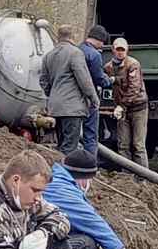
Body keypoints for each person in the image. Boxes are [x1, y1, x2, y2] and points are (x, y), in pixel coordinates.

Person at [40, 149, 133, 249]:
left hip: (39, 243)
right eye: (90, 179)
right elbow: (90, 220)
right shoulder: (60, 189)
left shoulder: (58, 181)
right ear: (83, 178)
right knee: (87, 245)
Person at [40, 25, 100, 155]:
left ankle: (59, 172)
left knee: (61, 146)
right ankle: (67, 174)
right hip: (72, 109)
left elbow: (43, 81)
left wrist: (53, 94)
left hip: (55, 108)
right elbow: (84, 80)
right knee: (70, 148)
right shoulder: (75, 53)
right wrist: (94, 99)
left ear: (59, 37)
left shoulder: (48, 56)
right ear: (73, 37)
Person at [105, 37, 149, 168]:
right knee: (123, 144)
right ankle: (127, 177)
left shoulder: (133, 64)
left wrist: (121, 106)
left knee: (138, 146)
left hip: (138, 108)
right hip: (122, 109)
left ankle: (143, 177)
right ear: (113, 50)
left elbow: (134, 88)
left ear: (127, 50)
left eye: (122, 50)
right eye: (117, 49)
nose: (120, 52)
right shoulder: (108, 67)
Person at [80, 25, 112, 156]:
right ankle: (90, 166)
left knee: (74, 136)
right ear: (99, 40)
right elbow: (99, 79)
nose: (102, 45)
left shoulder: (77, 50)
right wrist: (110, 80)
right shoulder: (94, 55)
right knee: (90, 135)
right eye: (103, 42)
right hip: (89, 99)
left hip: (74, 100)